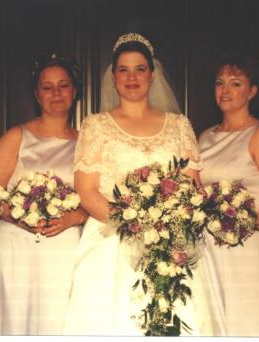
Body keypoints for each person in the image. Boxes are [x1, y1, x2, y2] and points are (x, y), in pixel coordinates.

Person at [63, 33, 226, 336]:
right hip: (111, 240)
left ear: (153, 75)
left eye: (139, 68)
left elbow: (192, 188)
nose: (132, 77)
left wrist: (164, 226)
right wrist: (133, 224)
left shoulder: (179, 125)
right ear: (114, 77)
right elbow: (86, 192)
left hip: (170, 240)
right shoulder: (95, 125)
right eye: (123, 69)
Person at [0, 54, 88, 335]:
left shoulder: (88, 144)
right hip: (18, 246)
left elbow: (95, 201)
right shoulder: (16, 136)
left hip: (64, 247)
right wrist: (21, 217)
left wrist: (74, 218)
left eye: (63, 85)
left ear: (74, 92)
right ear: (36, 94)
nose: (55, 93)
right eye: (47, 87)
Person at [198, 52, 259, 337]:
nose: (225, 90)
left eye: (236, 83)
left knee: (246, 321)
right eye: (219, 83)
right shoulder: (205, 137)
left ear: (252, 91)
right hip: (208, 247)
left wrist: (240, 226)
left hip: (246, 245)